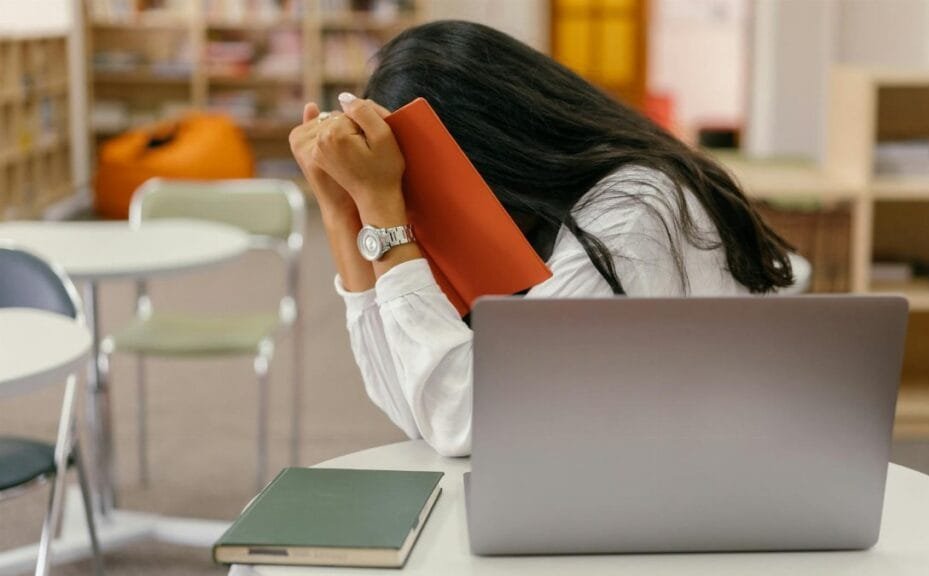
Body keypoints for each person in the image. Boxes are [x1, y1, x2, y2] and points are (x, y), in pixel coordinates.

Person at [289, 20, 794, 457]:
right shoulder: (555, 217)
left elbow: (463, 419)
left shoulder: (634, 211)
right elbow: (418, 412)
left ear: (488, 151)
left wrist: (382, 210)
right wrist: (341, 211)